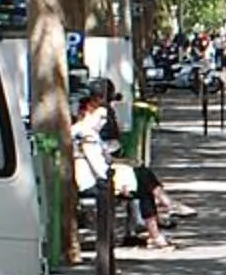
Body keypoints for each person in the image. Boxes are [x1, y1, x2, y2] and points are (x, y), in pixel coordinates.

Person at [71, 77, 176, 249]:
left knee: (142, 174)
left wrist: (125, 165)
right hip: (95, 181)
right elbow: (99, 166)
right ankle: (160, 219)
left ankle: (158, 223)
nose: (105, 118)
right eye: (101, 115)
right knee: (142, 181)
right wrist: (121, 180)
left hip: (100, 175)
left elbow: (105, 159)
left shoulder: (87, 132)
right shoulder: (86, 134)